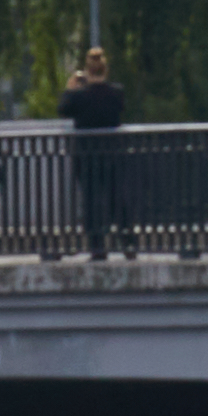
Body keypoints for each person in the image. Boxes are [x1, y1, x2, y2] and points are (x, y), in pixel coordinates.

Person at [59, 46, 134, 258]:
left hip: (87, 156)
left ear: (87, 70)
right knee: (117, 199)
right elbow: (121, 108)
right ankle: (128, 243)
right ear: (105, 69)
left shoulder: (78, 98)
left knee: (92, 202)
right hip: (113, 154)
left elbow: (63, 109)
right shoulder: (116, 93)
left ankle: (97, 247)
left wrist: (71, 88)